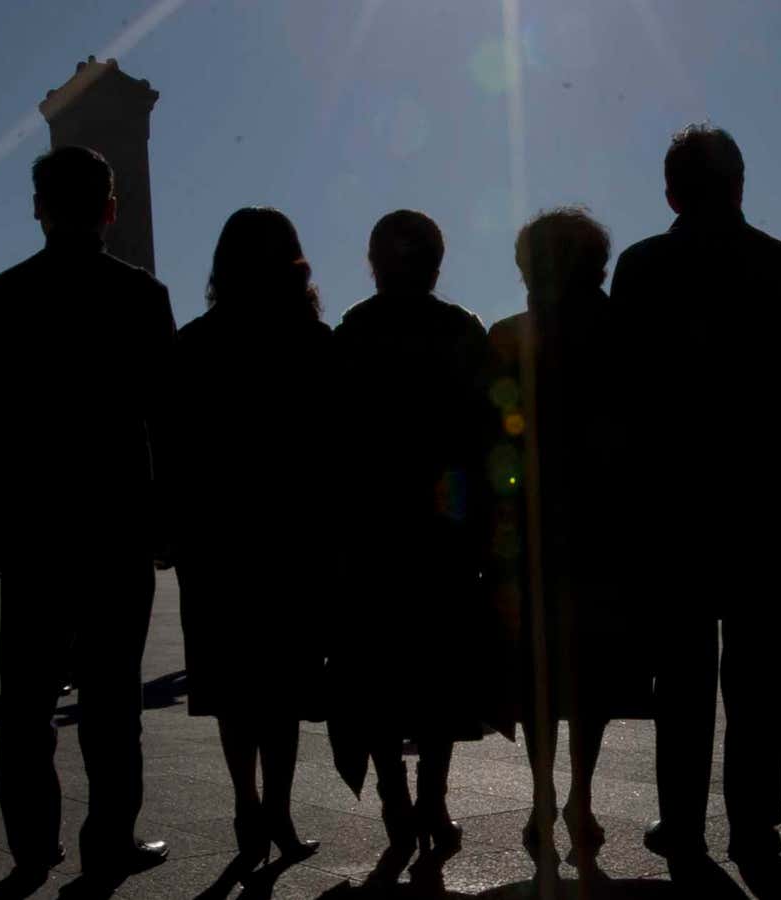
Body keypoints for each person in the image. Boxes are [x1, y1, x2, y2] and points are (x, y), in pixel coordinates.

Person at [608, 124, 781, 867]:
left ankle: (683, 820)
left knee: (684, 678)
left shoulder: (640, 269)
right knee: (761, 675)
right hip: (766, 506)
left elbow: (627, 401)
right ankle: (755, 819)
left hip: (674, 509)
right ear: (741, 184)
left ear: (670, 191)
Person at [0, 146, 174, 880]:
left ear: (38, 208)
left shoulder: (0, 297)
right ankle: (108, 838)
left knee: (26, 700)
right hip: (115, 519)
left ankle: (32, 842)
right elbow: (166, 417)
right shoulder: (141, 296)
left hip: (34, 525)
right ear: (110, 210)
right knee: (113, 696)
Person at [330, 210, 498, 876]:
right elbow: (484, 438)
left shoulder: (350, 336)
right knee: (436, 673)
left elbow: (334, 446)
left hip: (372, 531)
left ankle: (395, 801)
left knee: (375, 673)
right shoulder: (461, 331)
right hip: (441, 530)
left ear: (375, 261)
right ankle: (433, 798)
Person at [486, 208, 645, 875]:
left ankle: (545, 795)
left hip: (529, 533)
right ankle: (579, 795)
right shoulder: (626, 335)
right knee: (593, 678)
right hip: (606, 534)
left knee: (538, 677)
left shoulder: (506, 337)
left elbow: (493, 449)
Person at [173, 207, 328, 863]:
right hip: (291, 534)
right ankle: (281, 814)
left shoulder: (192, 344)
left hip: (216, 536)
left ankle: (245, 805)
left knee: (233, 683)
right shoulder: (314, 343)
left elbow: (175, 446)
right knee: (284, 686)